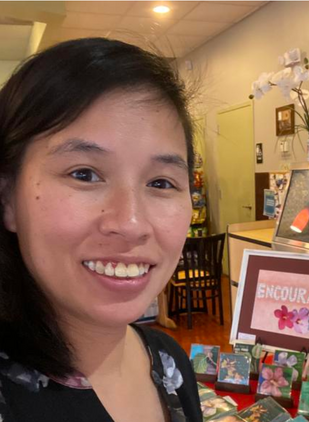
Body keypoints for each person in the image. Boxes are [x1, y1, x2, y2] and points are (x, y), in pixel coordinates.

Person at [0, 37, 202, 422]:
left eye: (161, 182)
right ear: (8, 198)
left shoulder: (170, 363)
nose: (131, 224)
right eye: (84, 174)